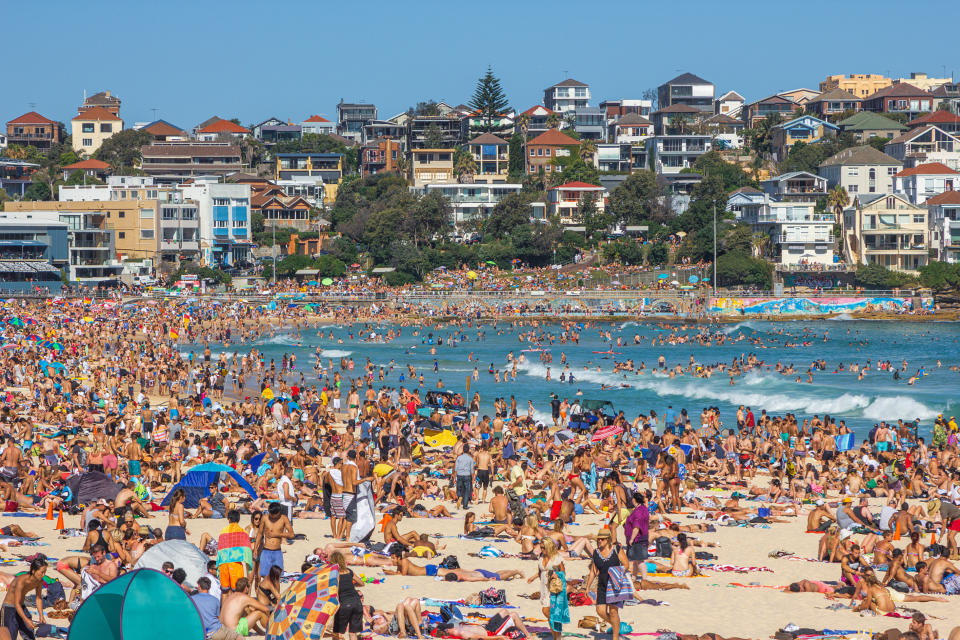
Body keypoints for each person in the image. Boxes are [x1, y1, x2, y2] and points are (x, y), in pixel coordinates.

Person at [584, 529, 629, 640]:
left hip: (614, 585)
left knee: (613, 612)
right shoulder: (596, 552)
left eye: (602, 539)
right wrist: (587, 587)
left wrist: (616, 573)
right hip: (602, 585)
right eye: (598, 539)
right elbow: (593, 571)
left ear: (608, 540)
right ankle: (616, 625)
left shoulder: (617, 549)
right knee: (600, 611)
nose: (600, 541)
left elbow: (626, 565)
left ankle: (615, 637)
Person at [528, 537, 566, 640]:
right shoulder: (541, 557)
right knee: (549, 614)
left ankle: (557, 636)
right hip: (544, 589)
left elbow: (563, 573)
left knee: (548, 612)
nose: (542, 549)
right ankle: (556, 637)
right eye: (541, 547)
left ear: (549, 547)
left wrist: (556, 575)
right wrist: (533, 577)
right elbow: (541, 571)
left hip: (554, 589)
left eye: (543, 547)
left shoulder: (557, 558)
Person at [1, 557, 46, 640]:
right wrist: (26, 619)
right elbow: (16, 603)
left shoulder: (39, 581)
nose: (43, 575)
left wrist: (41, 615)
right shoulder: (21, 581)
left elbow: (38, 598)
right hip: (9, 608)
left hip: (21, 606)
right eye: (42, 572)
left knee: (29, 634)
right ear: (33, 571)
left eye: (45, 572)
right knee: (8, 635)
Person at [192, 576, 241, 640]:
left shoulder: (192, 599)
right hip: (215, 632)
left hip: (200, 633)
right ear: (209, 587)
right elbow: (218, 618)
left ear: (199, 586)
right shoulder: (215, 600)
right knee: (239, 637)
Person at [330, 552, 364, 640]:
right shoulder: (349, 571)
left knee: (337, 633)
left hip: (345, 604)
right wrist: (351, 585)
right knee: (353, 633)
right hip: (357, 603)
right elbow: (362, 583)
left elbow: (336, 592)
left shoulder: (335, 574)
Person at [217, 510, 253, 593]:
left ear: (228, 519)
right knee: (236, 591)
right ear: (238, 519)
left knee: (225, 592)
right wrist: (249, 565)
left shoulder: (223, 531)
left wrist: (218, 563)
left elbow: (220, 550)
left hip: (224, 563)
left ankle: (224, 606)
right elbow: (247, 549)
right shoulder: (242, 532)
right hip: (236, 563)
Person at [257, 502, 293, 580]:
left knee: (278, 576)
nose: (272, 516)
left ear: (279, 512)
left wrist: (277, 534)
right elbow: (259, 534)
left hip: (277, 551)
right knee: (264, 576)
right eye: (270, 513)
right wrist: (255, 550)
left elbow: (291, 535)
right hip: (266, 550)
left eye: (274, 514)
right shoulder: (265, 518)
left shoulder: (284, 518)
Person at [623, 492, 649, 581]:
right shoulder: (643, 508)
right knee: (635, 560)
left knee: (640, 560)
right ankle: (634, 577)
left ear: (634, 499)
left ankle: (645, 579)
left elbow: (636, 527)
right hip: (643, 537)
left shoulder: (638, 511)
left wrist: (631, 539)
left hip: (638, 539)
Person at [454, 444, 474, 509]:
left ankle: (460, 497)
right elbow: (472, 470)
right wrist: (473, 478)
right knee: (467, 491)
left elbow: (456, 468)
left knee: (459, 489)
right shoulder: (470, 459)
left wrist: (454, 477)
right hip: (467, 475)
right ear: (468, 450)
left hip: (459, 474)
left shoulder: (459, 458)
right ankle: (465, 506)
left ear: (463, 450)